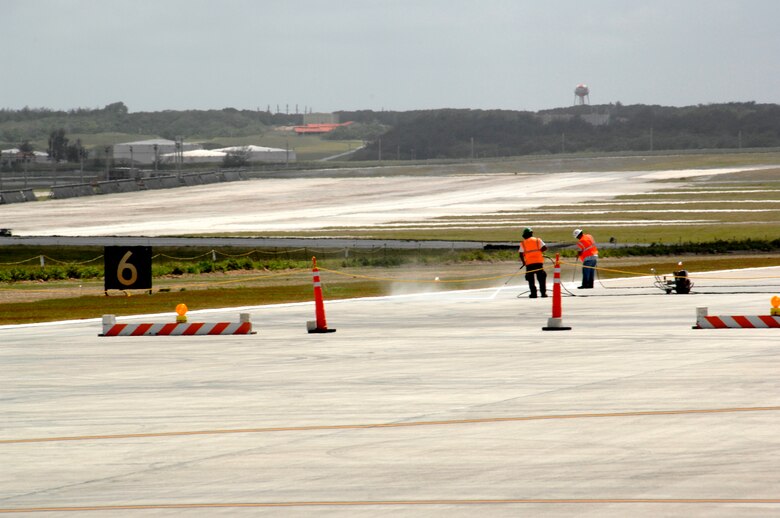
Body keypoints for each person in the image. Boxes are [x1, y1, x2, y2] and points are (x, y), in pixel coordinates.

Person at [518, 227, 548, 298]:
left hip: (529, 264)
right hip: (538, 262)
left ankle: (533, 294)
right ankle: (543, 293)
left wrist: (523, 262)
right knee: (541, 278)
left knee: (530, 279)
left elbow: (521, 254)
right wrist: (539, 252)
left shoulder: (523, 243)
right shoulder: (538, 240)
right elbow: (545, 247)